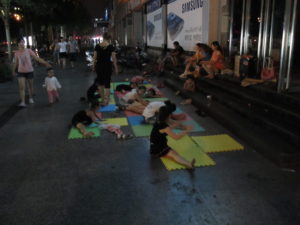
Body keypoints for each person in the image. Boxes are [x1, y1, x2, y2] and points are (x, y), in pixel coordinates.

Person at [13, 38, 51, 107]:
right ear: (18, 44)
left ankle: (30, 98)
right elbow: (16, 63)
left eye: (23, 42)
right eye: (20, 42)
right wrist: (13, 70)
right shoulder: (17, 53)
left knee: (30, 86)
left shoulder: (29, 51)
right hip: (20, 72)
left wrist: (45, 63)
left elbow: (37, 58)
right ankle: (23, 102)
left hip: (29, 71)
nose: (22, 43)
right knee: (22, 87)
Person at [93, 32, 118, 105]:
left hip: (99, 65)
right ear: (109, 38)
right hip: (107, 66)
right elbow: (114, 58)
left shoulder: (97, 46)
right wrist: (116, 68)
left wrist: (93, 66)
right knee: (107, 83)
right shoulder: (111, 46)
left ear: (103, 37)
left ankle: (102, 99)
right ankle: (106, 101)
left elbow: (94, 57)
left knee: (100, 83)